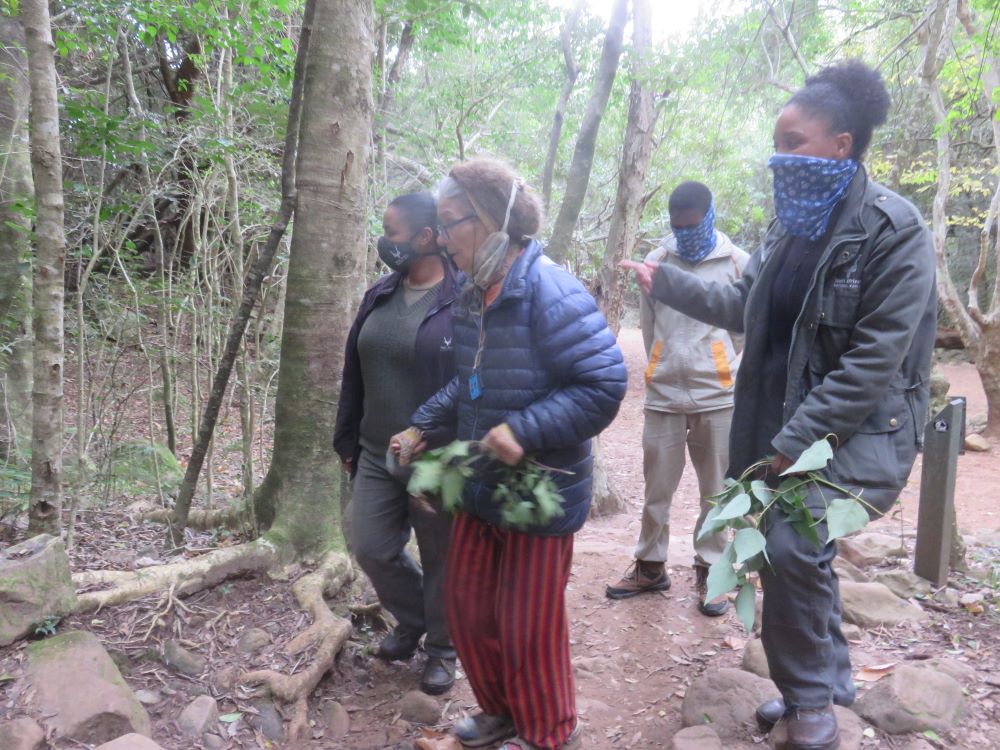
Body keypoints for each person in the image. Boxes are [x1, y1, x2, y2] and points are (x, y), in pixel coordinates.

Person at [623, 61, 935, 750]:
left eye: (793, 140)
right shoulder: (790, 226)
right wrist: (667, 282)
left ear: (840, 144)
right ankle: (832, 684)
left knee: (793, 545)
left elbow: (875, 357)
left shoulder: (895, 230)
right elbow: (744, 305)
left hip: (853, 432)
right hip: (779, 424)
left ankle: (809, 702)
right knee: (791, 553)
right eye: (777, 140)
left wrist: (799, 436)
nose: (779, 155)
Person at [391, 158, 627, 750]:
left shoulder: (551, 289)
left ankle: (549, 733)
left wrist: (523, 428)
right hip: (482, 482)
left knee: (528, 623)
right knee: (469, 608)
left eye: (450, 223)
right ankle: (500, 713)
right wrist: (423, 424)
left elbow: (603, 385)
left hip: (539, 488)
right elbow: (468, 379)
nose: (440, 238)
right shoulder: (473, 292)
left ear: (492, 220)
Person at [333, 191, 459, 695]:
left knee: (440, 558)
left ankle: (443, 650)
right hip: (373, 448)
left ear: (426, 237)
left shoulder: (461, 298)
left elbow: (474, 381)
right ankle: (413, 618)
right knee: (370, 544)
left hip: (434, 457)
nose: (384, 241)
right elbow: (355, 369)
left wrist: (440, 437)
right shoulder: (381, 292)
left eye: (393, 232)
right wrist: (347, 437)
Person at [606, 181, 749, 617]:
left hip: (718, 396)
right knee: (657, 489)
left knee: (716, 493)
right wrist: (660, 364)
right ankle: (650, 566)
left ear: (710, 216)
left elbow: (742, 331)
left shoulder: (738, 262)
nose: (685, 233)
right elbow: (650, 329)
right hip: (664, 394)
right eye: (677, 226)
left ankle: (712, 570)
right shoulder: (657, 262)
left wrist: (720, 364)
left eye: (693, 225)